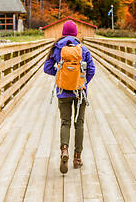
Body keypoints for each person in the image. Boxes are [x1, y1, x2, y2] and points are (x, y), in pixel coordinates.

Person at [43, 20, 95, 173]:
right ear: (76, 33)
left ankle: (64, 150)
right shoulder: (83, 49)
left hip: (62, 91)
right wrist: (83, 82)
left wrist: (60, 76)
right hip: (80, 92)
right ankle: (77, 157)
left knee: (65, 122)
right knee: (79, 123)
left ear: (63, 33)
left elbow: (47, 68)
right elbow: (91, 69)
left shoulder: (56, 47)